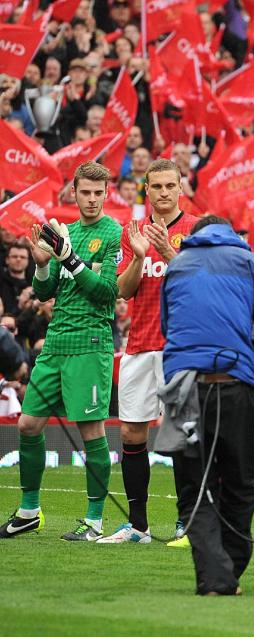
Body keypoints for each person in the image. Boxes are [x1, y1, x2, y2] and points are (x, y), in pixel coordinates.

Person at [160, 215, 254, 596]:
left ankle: (214, 574)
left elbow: (166, 326)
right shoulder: (248, 261)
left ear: (194, 236)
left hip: (182, 389)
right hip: (233, 383)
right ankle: (227, 572)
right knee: (241, 484)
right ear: (230, 234)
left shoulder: (177, 264)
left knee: (194, 487)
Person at [0, 162, 123, 541]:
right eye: (84, 192)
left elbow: (106, 293)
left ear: (105, 194)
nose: (90, 199)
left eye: (97, 193)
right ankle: (29, 511)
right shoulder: (63, 231)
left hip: (90, 343)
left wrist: (69, 257)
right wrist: (41, 265)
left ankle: (94, 520)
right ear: (74, 191)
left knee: (90, 429)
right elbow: (45, 289)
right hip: (55, 345)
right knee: (27, 424)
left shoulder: (113, 233)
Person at [97, 159, 200, 545]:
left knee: (183, 435)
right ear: (147, 190)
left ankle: (187, 523)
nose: (163, 192)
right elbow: (122, 290)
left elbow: (201, 282)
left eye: (170, 185)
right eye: (155, 186)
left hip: (180, 347)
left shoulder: (195, 229)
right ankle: (138, 526)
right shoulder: (131, 232)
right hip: (140, 343)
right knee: (131, 431)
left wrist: (168, 254)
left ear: (180, 187)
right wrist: (141, 256)